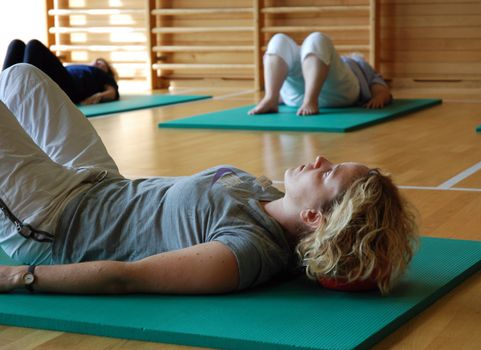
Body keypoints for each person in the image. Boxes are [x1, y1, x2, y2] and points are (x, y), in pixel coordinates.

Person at [0, 64, 417, 296]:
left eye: (327, 173)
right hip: (99, 182)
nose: (321, 158)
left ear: (313, 217)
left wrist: (20, 277)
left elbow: (125, 275)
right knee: (22, 77)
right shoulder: (267, 196)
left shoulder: (246, 249)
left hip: (54, 221)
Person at [249, 32, 392, 116]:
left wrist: (379, 96)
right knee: (279, 39)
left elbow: (377, 82)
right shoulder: (314, 58)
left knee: (316, 39)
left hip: (340, 95)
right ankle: (270, 98)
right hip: (296, 98)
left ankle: (310, 100)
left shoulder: (356, 62)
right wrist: (280, 93)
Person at [2, 39, 119, 105]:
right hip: (57, 77)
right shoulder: (80, 67)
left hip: (70, 87)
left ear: (107, 71)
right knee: (16, 44)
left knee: (34, 45)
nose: (97, 63)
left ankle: (23, 91)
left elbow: (112, 92)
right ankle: (3, 91)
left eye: (102, 63)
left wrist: (96, 97)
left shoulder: (102, 75)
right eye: (96, 61)